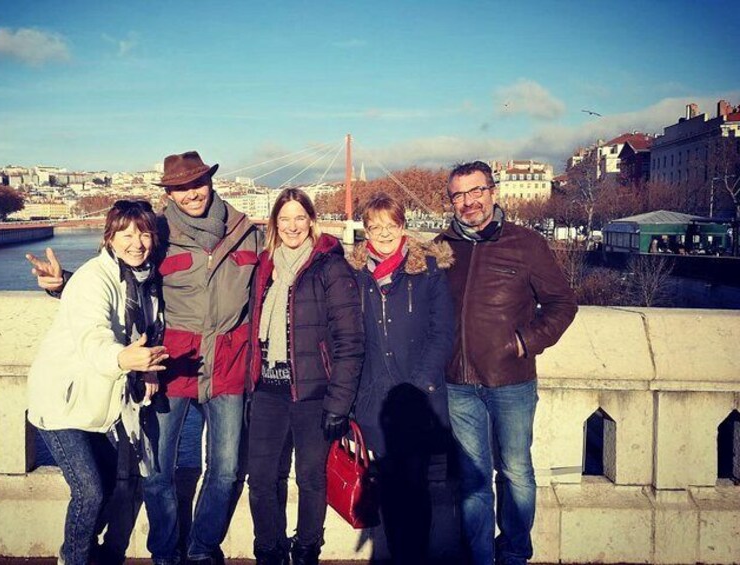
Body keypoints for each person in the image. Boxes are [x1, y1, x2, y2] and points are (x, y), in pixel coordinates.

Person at [29, 151, 262, 565]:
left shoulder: (246, 232)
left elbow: (276, 284)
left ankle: (202, 549)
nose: (191, 194)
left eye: (197, 183)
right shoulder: (159, 232)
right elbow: (115, 281)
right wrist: (64, 284)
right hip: (168, 365)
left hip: (227, 365)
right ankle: (165, 553)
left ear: (211, 182)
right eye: (180, 188)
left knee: (226, 470)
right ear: (169, 193)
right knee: (155, 472)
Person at [436, 161, 578, 565]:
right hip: (457, 383)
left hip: (511, 381)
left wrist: (524, 342)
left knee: (516, 472)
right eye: (459, 195)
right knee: (473, 479)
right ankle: (480, 557)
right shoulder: (442, 247)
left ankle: (514, 553)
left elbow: (562, 303)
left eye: (476, 191)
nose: (469, 201)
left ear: (492, 192)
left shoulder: (526, 243)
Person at [27, 200, 169, 565]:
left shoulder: (145, 280)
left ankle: (87, 552)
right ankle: (73, 558)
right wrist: (123, 360)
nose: (136, 243)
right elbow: (93, 335)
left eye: (144, 234)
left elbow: (144, 329)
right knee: (89, 491)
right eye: (126, 235)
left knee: (106, 483)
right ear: (109, 238)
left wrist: (147, 366)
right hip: (62, 400)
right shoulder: (94, 278)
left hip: (98, 403)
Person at [246, 188, 364, 565]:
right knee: (261, 478)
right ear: (274, 224)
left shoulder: (330, 267)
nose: (292, 226)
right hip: (267, 391)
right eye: (284, 219)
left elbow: (350, 339)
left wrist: (339, 403)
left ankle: (306, 549)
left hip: (314, 394)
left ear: (312, 221)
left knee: (311, 479)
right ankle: (269, 549)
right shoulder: (265, 267)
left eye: (300, 218)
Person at [346, 193, 455, 564]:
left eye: (391, 225)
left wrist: (418, 385)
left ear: (403, 226)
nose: (384, 234)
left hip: (417, 399)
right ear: (365, 232)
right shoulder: (355, 274)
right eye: (375, 227)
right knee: (389, 489)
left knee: (416, 486)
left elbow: (442, 332)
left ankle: (414, 557)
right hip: (375, 401)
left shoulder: (428, 269)